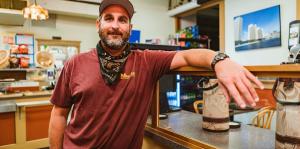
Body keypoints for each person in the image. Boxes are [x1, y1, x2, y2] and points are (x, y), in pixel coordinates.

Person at [48, 0, 264, 148]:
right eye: (109, 18)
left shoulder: (146, 61)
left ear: (130, 28)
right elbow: (59, 114)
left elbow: (188, 56)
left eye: (122, 20)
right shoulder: (75, 63)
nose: (115, 25)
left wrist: (220, 60)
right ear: (98, 24)